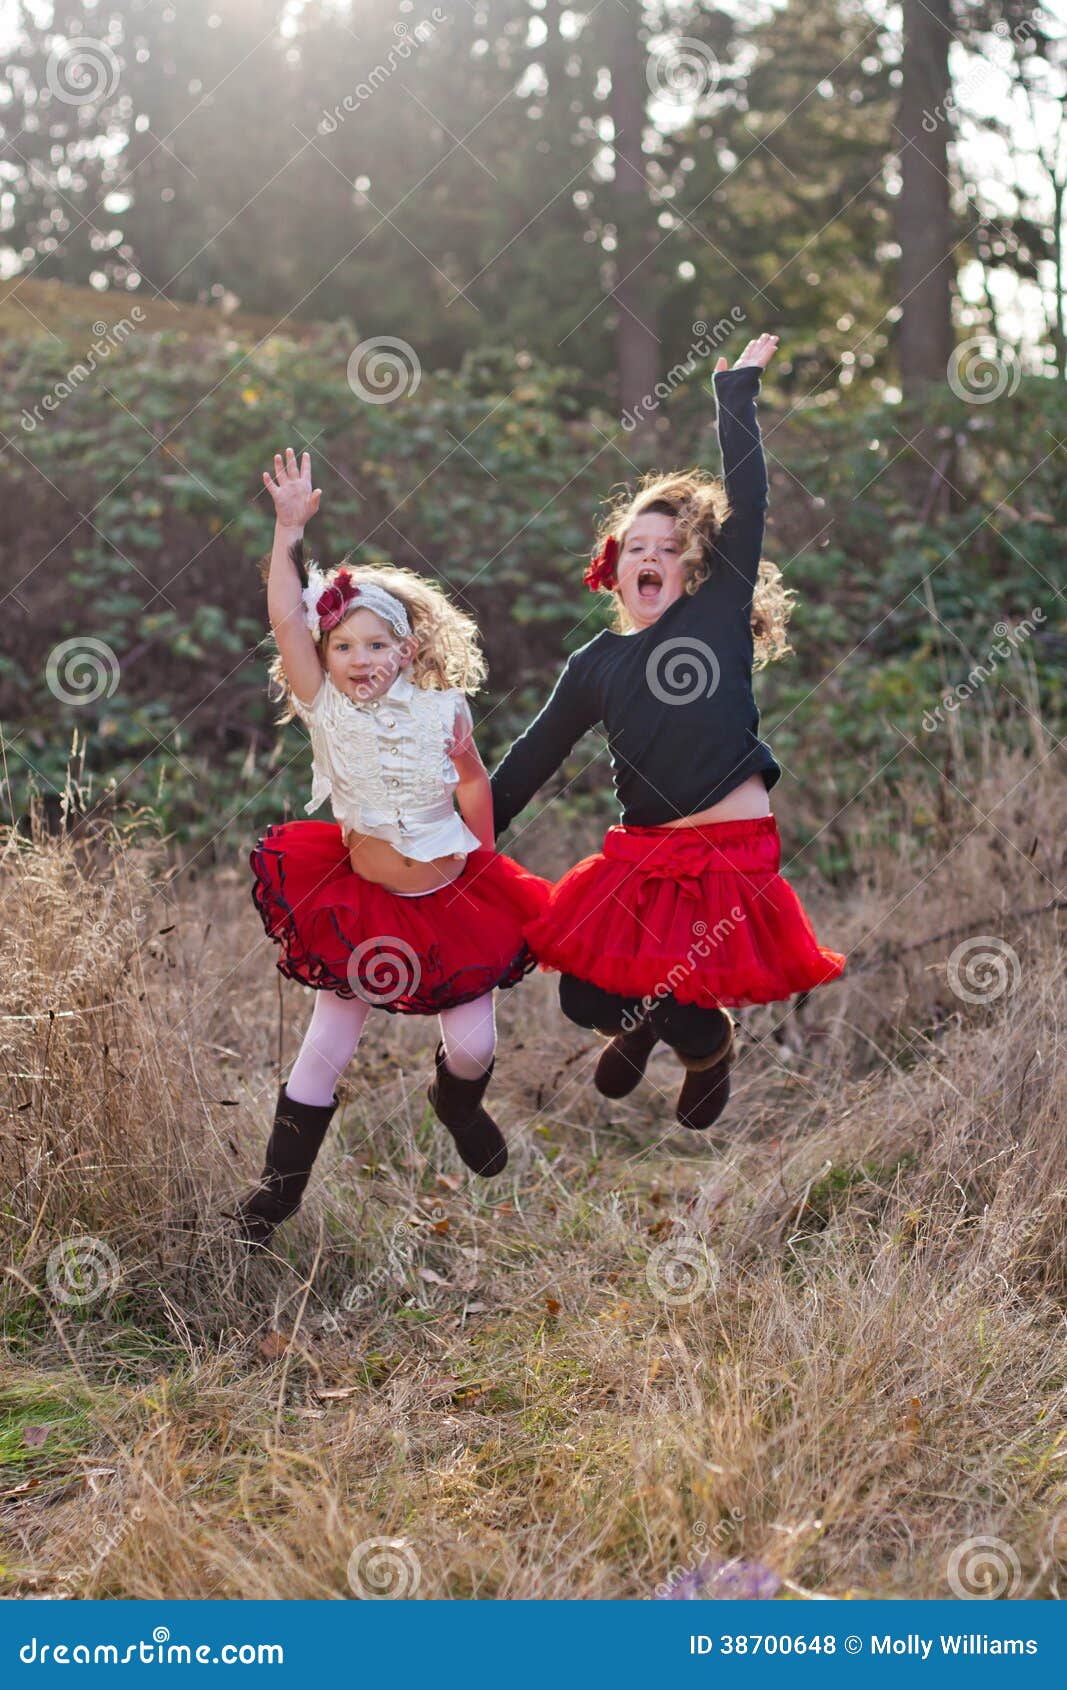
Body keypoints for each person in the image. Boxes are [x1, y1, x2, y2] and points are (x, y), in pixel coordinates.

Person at [489, 335, 845, 1132]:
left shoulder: (715, 617)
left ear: (691, 568)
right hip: (644, 852)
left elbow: (749, 503)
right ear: (612, 570)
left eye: (666, 549)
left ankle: (705, 1044)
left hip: (730, 849)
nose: (648, 558)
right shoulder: (595, 663)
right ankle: (642, 1022)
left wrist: (735, 397)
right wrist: (470, 830)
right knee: (583, 992)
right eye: (633, 550)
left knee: (690, 989)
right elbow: (531, 758)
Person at [231, 449, 549, 1245]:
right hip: (361, 900)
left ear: (406, 650)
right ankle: (272, 1201)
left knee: (474, 1044)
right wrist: (287, 531)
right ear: (321, 658)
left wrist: (482, 859)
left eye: (376, 646)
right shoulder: (324, 709)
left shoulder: (445, 709)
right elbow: (281, 614)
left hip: (450, 899)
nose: (359, 660)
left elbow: (473, 782)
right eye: (342, 647)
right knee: (325, 1047)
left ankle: (457, 1101)